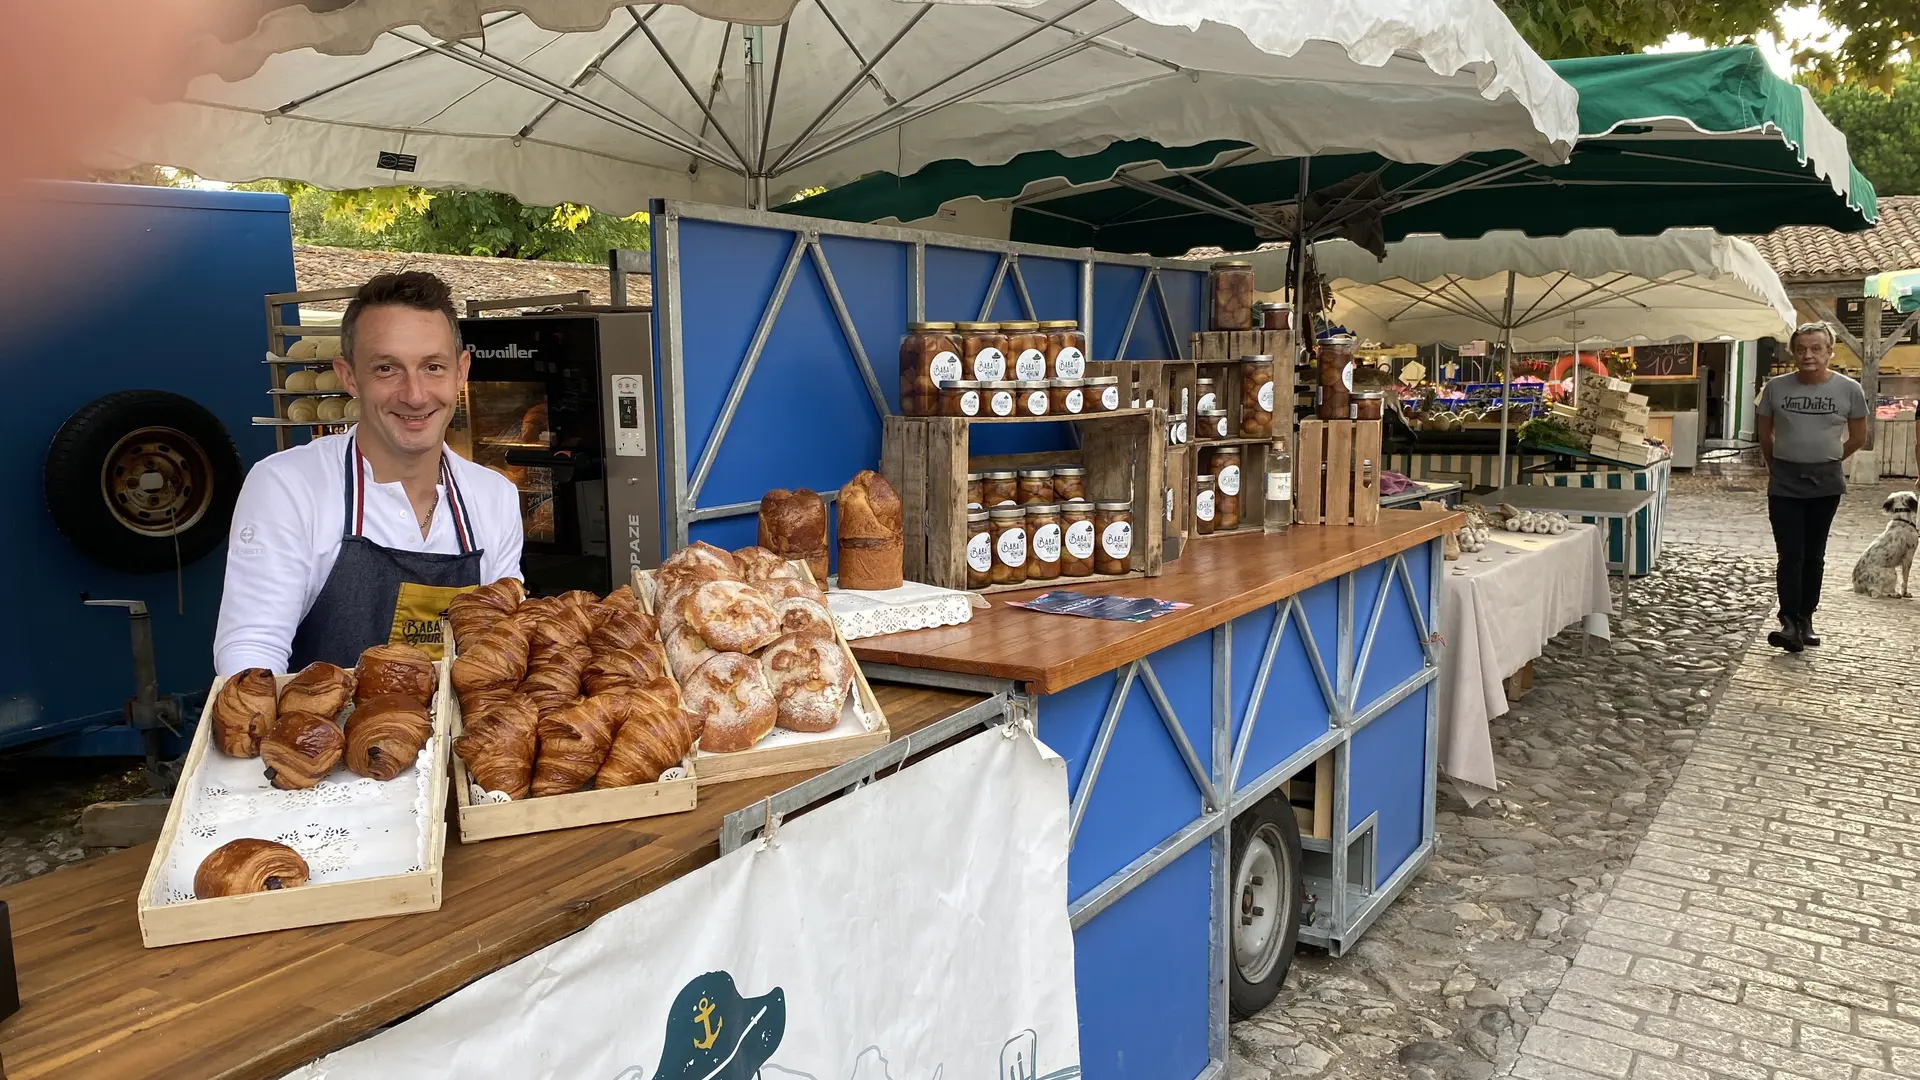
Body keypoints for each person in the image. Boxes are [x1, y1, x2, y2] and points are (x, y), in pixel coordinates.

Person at [214, 272, 524, 674]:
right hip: (327, 735)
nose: (414, 394)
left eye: (433, 366)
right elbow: (251, 650)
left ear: (461, 372)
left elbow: (501, 647)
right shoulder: (288, 487)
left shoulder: (493, 496)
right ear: (348, 376)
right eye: (386, 369)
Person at [1754, 322, 1868, 653]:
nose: (1808, 355)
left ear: (1830, 352)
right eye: (1802, 348)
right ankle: (1788, 621)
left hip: (1826, 482)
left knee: (1814, 555)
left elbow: (1859, 437)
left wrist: (1830, 459)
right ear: (1793, 352)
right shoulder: (1775, 388)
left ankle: (1806, 618)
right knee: (1790, 554)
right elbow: (1765, 435)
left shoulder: (1849, 390)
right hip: (1785, 481)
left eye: (1816, 348)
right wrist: (1777, 467)